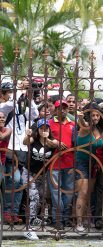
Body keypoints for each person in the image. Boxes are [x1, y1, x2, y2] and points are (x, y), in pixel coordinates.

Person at [0, 80, 39, 225]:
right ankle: (6, 211)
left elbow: (34, 114)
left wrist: (29, 97)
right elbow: (9, 106)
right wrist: (18, 90)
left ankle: (14, 212)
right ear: (3, 94)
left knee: (20, 182)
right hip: (9, 147)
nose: (11, 94)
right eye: (8, 92)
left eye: (12, 91)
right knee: (13, 180)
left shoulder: (22, 107)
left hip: (22, 148)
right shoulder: (3, 106)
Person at [75, 103, 103, 233]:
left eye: (98, 115)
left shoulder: (99, 129)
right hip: (81, 162)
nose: (95, 117)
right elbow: (82, 123)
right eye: (93, 115)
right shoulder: (85, 127)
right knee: (82, 193)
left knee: (88, 194)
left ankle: (85, 218)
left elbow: (101, 144)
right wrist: (81, 118)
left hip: (94, 163)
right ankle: (79, 223)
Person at [48, 99, 75, 229]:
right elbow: (42, 137)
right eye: (60, 108)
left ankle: (63, 218)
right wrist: (54, 142)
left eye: (65, 108)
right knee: (55, 193)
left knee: (68, 193)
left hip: (70, 163)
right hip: (54, 163)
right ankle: (57, 219)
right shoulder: (49, 123)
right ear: (56, 109)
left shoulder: (73, 124)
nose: (63, 110)